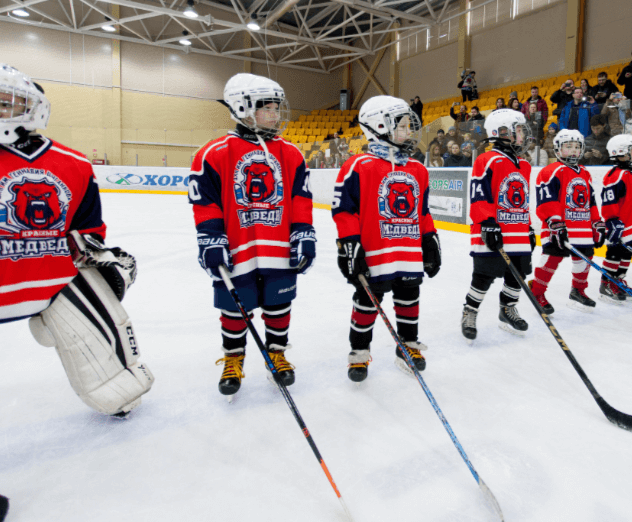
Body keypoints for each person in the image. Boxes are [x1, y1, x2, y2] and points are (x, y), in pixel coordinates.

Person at [0, 64, 153, 424]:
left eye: (7, 104)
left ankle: (119, 389)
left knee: (116, 375)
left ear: (35, 110)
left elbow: (85, 230)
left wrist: (104, 264)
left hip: (53, 280)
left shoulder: (73, 163)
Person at [191, 73, 314, 396]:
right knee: (235, 307)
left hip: (279, 248)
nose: (276, 114)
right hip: (238, 247)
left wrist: (304, 233)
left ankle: (277, 353)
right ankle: (234, 358)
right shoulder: (214, 153)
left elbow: (301, 199)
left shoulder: (291, 153)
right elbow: (205, 203)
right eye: (267, 108)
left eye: (277, 107)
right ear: (242, 108)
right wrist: (210, 239)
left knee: (279, 303)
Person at [332, 96, 440, 382]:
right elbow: (344, 210)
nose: (408, 132)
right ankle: (358, 353)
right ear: (378, 126)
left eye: (408, 126)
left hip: (407, 252)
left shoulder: (417, 169)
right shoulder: (359, 166)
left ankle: (408, 346)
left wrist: (430, 238)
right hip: (374, 252)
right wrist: (349, 244)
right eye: (401, 126)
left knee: (409, 299)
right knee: (366, 303)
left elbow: (423, 211)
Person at [460, 109, 534, 342]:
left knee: (518, 274)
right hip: (493, 229)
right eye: (519, 130)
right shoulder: (487, 159)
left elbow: (523, 199)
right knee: (483, 274)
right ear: (503, 132)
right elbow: (479, 194)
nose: (522, 134)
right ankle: (470, 311)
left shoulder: (524, 164)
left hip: (518, 230)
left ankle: (507, 309)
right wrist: (487, 222)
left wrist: (529, 227)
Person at [529, 130, 603, 313]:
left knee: (584, 259)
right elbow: (546, 201)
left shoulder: (584, 172)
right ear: (557, 149)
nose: (573, 151)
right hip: (559, 228)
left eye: (576, 147)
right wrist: (555, 222)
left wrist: (597, 222)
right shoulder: (551, 171)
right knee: (552, 258)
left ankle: (578, 291)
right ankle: (537, 292)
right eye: (568, 147)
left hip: (583, 228)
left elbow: (591, 201)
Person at [598, 134, 632, 303]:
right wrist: (611, 220)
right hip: (621, 224)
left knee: (627, 253)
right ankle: (607, 283)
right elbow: (609, 200)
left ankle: (618, 280)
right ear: (620, 152)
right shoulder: (616, 175)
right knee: (615, 253)